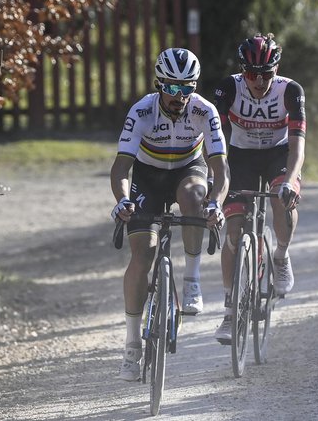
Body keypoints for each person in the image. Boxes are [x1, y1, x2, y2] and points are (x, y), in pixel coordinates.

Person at [110, 48, 230, 381]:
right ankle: (132, 343)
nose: (180, 96)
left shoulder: (205, 112)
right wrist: (122, 200)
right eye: (172, 88)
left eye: (187, 87)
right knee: (143, 255)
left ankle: (191, 281)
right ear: (158, 84)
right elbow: (121, 167)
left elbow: (221, 170)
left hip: (188, 170)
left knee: (194, 195)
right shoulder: (142, 111)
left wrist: (216, 202)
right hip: (148, 177)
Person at [211, 33, 305, 344]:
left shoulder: (290, 91)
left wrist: (291, 180)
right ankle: (229, 310)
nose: (259, 81)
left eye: (266, 74)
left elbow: (297, 145)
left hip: (278, 155)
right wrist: (217, 177)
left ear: (276, 71)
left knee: (282, 199)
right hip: (240, 157)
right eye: (252, 75)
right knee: (234, 232)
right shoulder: (229, 88)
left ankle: (280, 256)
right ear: (242, 72)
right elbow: (216, 142)